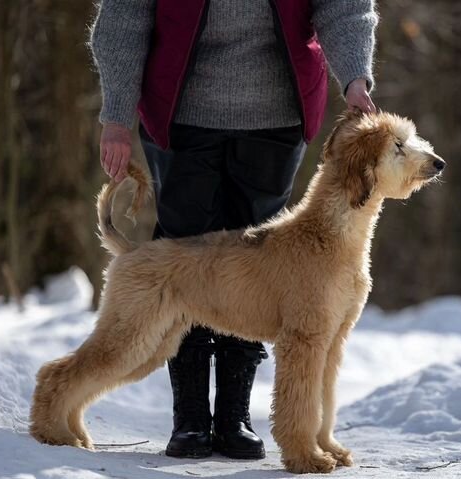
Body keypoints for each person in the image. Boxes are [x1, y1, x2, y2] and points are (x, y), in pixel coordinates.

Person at [89, 0, 378, 461]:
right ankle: (190, 420)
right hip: (180, 114)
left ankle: (234, 418)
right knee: (184, 266)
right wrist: (117, 114)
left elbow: (344, 8)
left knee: (261, 272)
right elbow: (125, 18)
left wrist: (355, 78)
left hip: (277, 119)